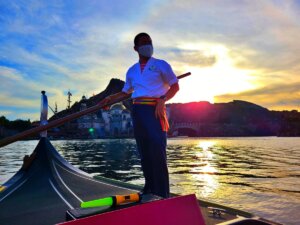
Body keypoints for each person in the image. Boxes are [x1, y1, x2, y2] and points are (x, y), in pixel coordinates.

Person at [99, 33, 179, 198]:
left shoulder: (161, 65)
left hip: (154, 109)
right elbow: (125, 92)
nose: (147, 45)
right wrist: (110, 98)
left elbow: (175, 87)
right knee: (144, 151)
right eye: (143, 43)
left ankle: (163, 193)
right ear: (136, 48)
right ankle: (149, 188)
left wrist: (163, 100)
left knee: (157, 150)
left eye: (149, 42)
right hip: (138, 111)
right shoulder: (132, 70)